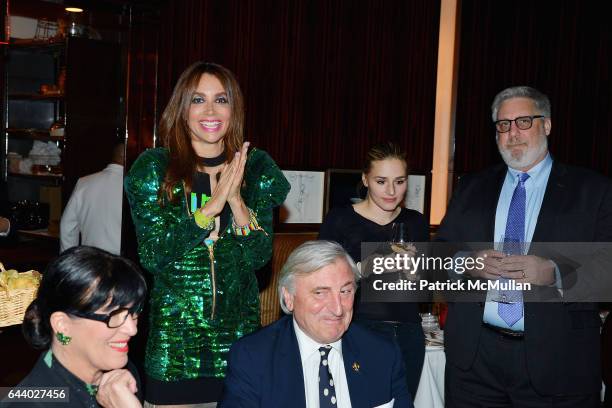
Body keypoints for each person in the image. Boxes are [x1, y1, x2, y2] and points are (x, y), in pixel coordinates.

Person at [124, 61, 290, 406]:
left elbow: (258, 258)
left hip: (239, 354)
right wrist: (209, 210)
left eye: (222, 99)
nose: (211, 110)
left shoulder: (256, 168)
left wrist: (236, 202)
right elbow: (153, 255)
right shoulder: (155, 169)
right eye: (198, 100)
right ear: (182, 110)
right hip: (176, 355)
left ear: (234, 109)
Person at [436, 86, 612, 406]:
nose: (512, 133)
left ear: (546, 125)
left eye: (523, 122)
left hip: (558, 363)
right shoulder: (471, 187)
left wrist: (555, 272)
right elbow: (441, 252)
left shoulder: (593, 190)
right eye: (504, 125)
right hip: (475, 364)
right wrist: (467, 262)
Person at [219, 240, 412, 408]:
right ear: (289, 297)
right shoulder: (254, 358)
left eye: (345, 292)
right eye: (320, 293)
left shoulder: (382, 353)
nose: (338, 309)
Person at [318, 141, 428, 398]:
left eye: (399, 182)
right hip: (357, 330)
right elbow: (320, 280)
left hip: (408, 334)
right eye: (381, 181)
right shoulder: (340, 219)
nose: (391, 191)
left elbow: (422, 292)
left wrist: (415, 274)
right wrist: (366, 266)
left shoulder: (415, 222)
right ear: (365, 180)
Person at [2, 246, 147, 408]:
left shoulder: (122, 378)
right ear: (62, 325)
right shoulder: (29, 403)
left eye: (133, 312)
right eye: (114, 316)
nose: (132, 329)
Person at [60, 142, 125, 255]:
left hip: (91, 263)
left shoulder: (84, 182)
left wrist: (70, 260)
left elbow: (67, 227)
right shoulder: (136, 186)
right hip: (125, 265)